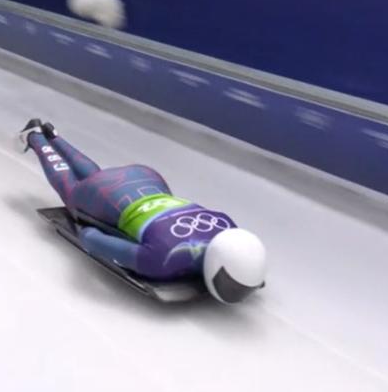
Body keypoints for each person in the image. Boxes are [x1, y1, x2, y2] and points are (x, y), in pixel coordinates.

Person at [17, 119, 266, 303]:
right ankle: (35, 137)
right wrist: (85, 224)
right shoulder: (163, 261)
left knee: (98, 180)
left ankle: (53, 136)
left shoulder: (226, 224)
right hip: (112, 199)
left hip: (146, 179)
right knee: (72, 192)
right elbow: (91, 239)